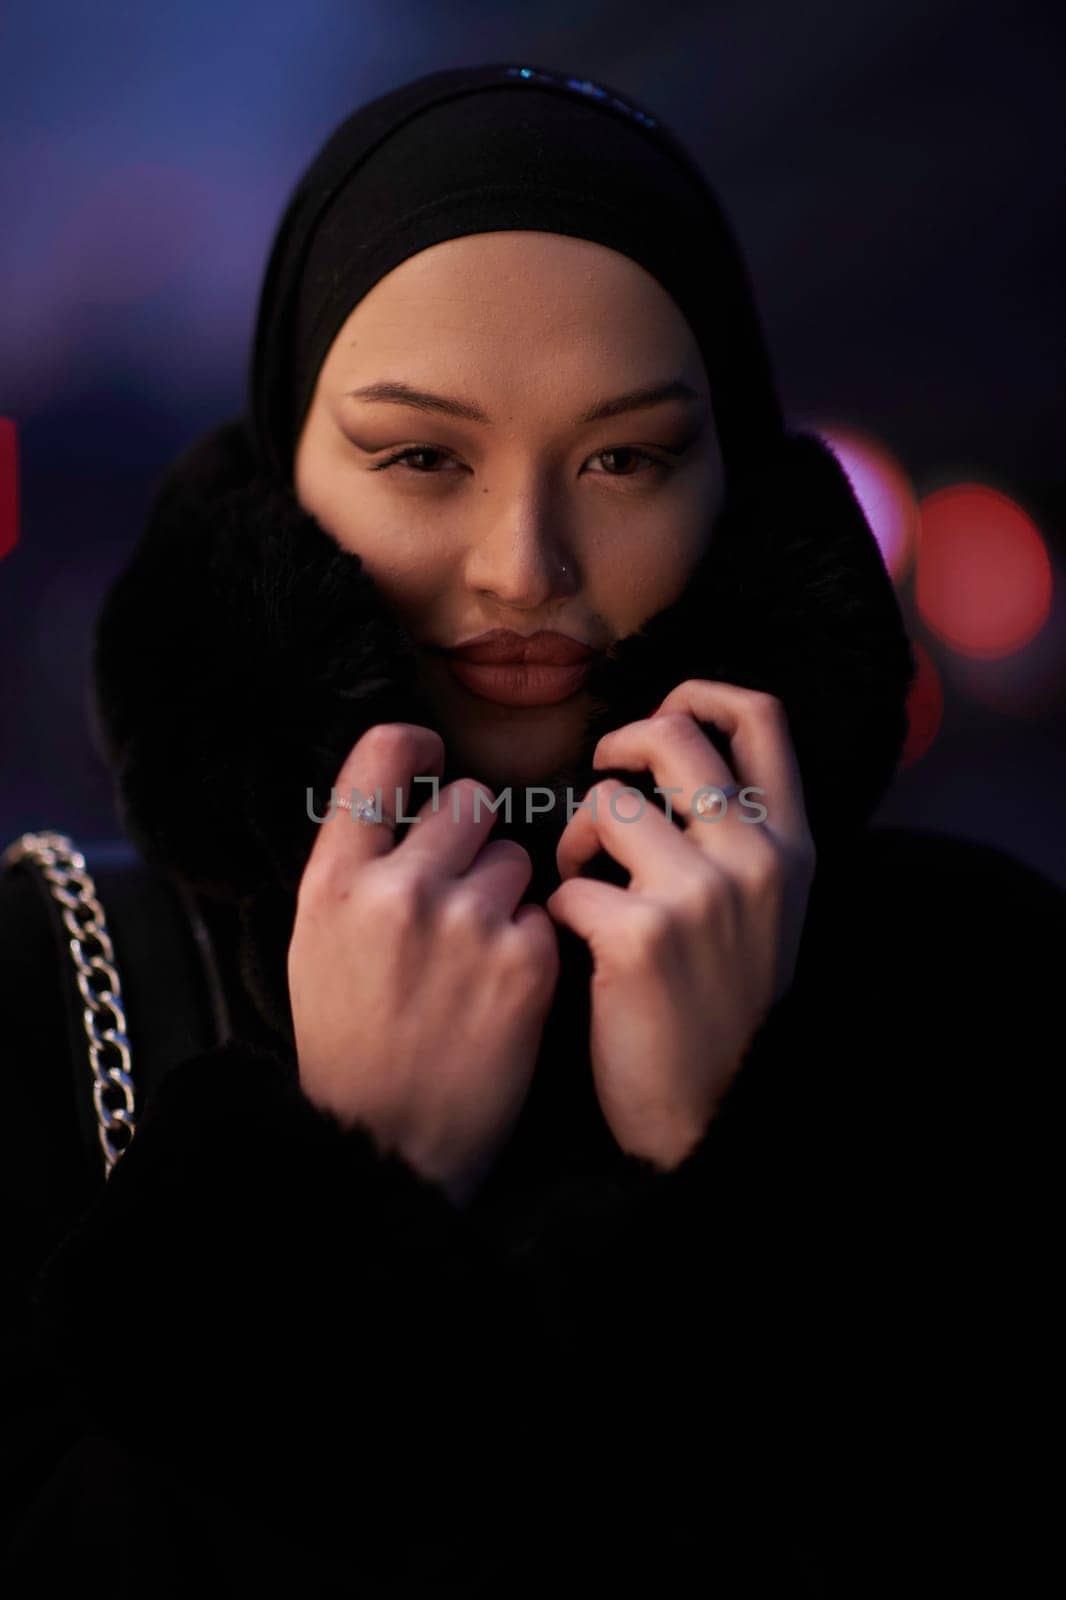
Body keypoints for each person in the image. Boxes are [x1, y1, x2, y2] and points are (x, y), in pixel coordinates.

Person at [1, 61, 1061, 1597]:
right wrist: (338, 1188)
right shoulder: (46, 995)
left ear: (739, 488)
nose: (523, 562)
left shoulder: (983, 979)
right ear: (279, 483)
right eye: (422, 457)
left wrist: (736, 1163)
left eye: (624, 458)